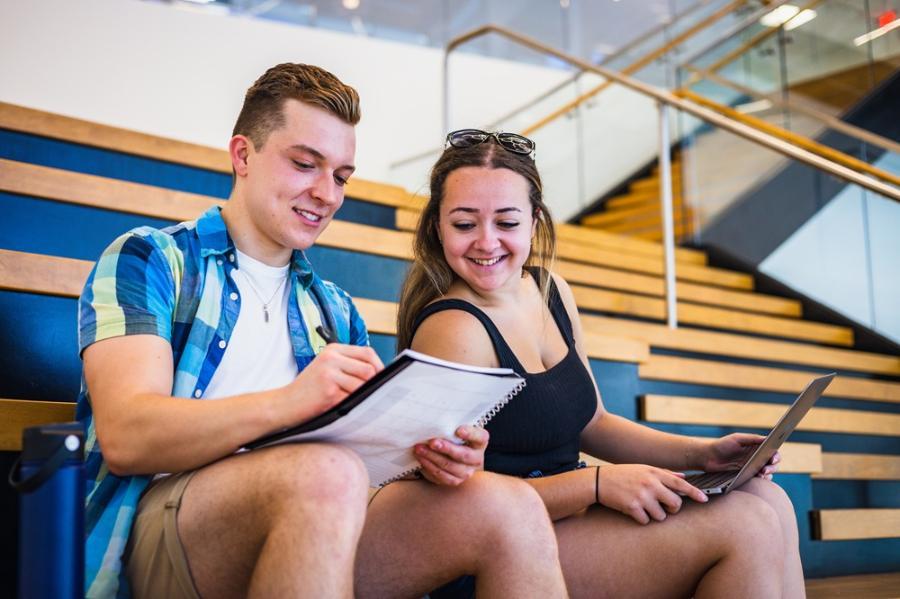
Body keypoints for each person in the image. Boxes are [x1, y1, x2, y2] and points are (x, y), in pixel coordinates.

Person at [77, 67, 569, 598]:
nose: (326, 193)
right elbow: (127, 436)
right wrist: (292, 402)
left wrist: (431, 457)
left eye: (340, 176)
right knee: (325, 473)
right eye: (305, 164)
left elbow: (369, 471)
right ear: (242, 155)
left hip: (319, 517)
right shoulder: (151, 258)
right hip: (164, 534)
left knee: (508, 506)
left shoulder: (333, 310)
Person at [397, 129, 806, 599]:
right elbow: (449, 502)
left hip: (568, 514)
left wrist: (704, 456)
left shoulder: (551, 291)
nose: (487, 243)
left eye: (506, 223)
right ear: (437, 227)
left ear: (534, 222)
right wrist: (593, 484)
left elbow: (593, 422)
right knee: (746, 525)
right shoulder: (453, 328)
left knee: (768, 499)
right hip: (499, 545)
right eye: (465, 224)